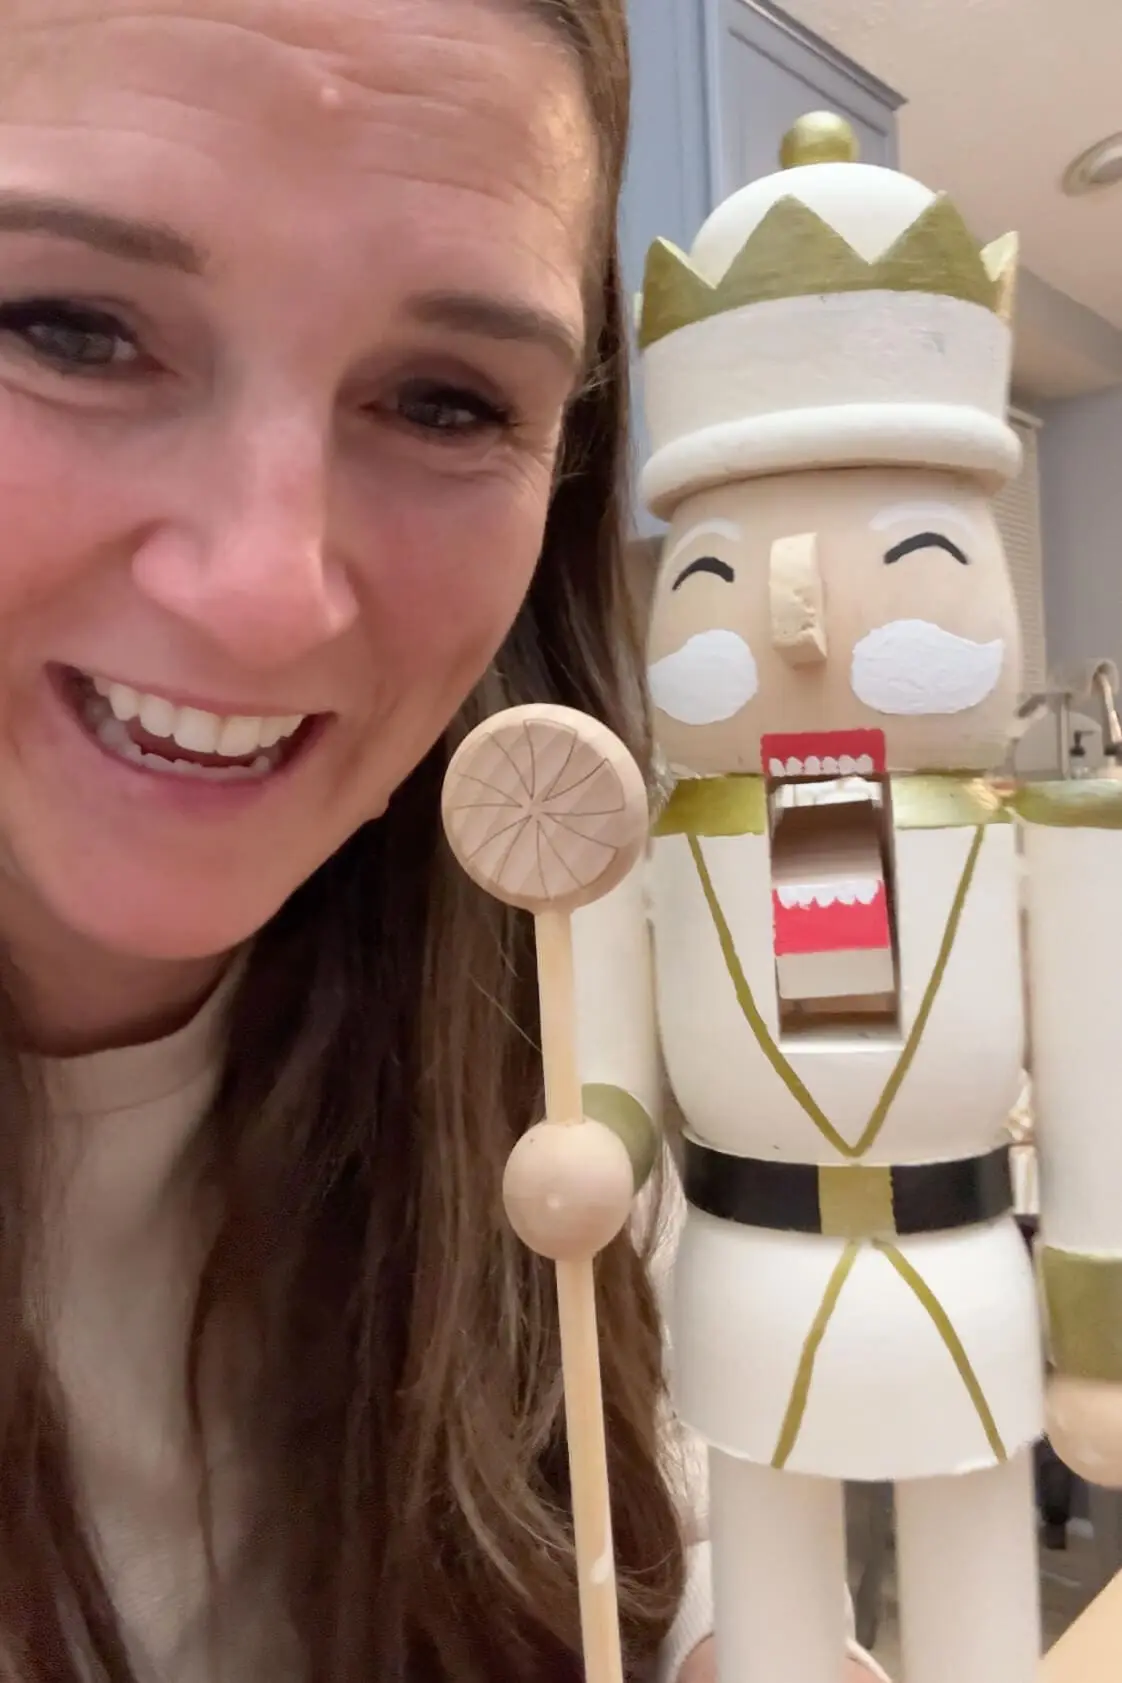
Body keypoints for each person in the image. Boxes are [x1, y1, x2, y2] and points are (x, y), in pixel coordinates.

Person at [0, 0, 885, 1677]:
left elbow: (693, 1566)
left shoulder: (572, 1043)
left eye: (444, 401)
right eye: (70, 325)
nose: (266, 597)